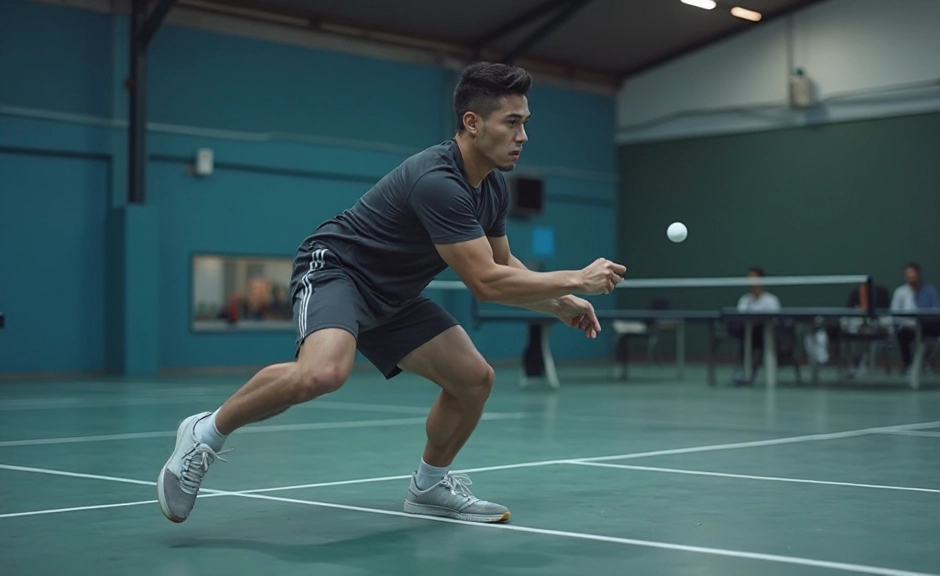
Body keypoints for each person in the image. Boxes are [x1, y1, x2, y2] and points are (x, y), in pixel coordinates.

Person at [157, 62, 627, 525]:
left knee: (473, 379)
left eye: (524, 123)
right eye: (512, 123)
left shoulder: (492, 188)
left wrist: (558, 304)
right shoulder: (437, 182)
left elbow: (504, 266)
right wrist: (574, 280)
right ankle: (205, 432)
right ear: (472, 123)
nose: (523, 136)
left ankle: (429, 487)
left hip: (394, 296)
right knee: (322, 372)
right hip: (338, 272)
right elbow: (484, 283)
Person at [890, 262, 940, 371]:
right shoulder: (900, 292)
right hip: (907, 327)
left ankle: (924, 361)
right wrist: (906, 323)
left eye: (913, 273)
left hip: (926, 326)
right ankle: (908, 364)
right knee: (902, 335)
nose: (910, 276)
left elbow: (936, 311)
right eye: (908, 273)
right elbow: (894, 313)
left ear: (919, 275)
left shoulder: (930, 291)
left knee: (934, 331)